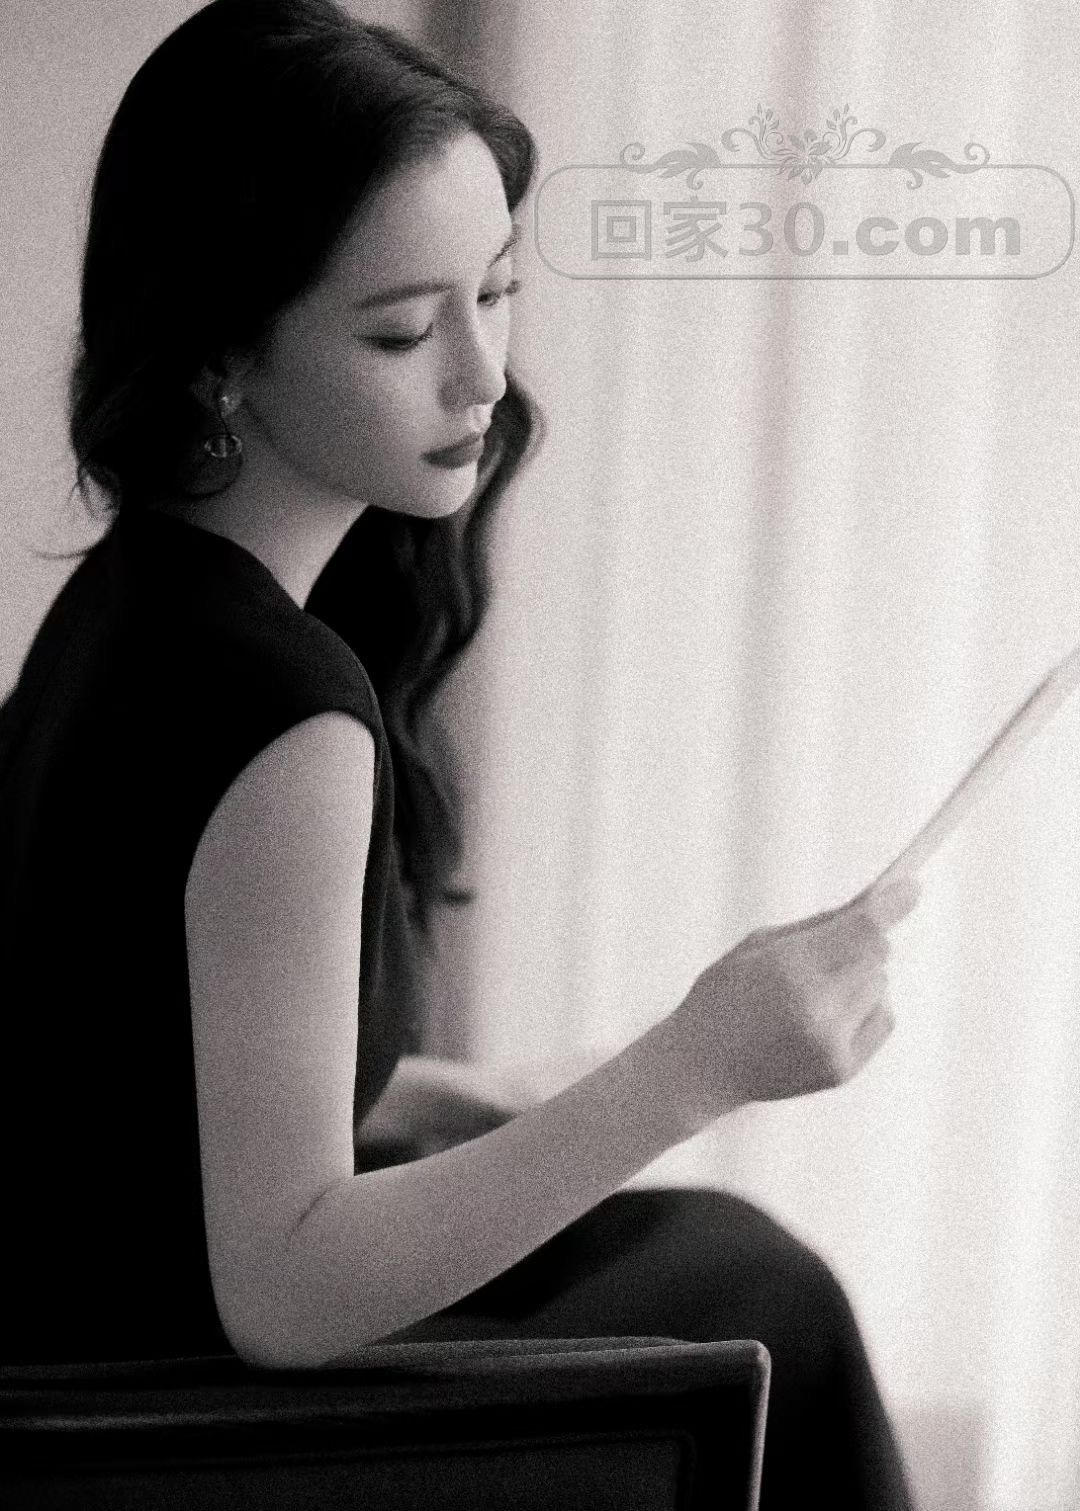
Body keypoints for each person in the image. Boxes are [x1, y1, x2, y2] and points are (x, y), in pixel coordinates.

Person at [0, 2, 922, 1505]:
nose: (482, 375)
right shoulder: (286, 711)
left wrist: (440, 1098)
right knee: (771, 1299)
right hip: (158, 1424)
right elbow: (286, 1291)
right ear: (221, 356)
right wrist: (697, 1064)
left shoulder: (136, 603)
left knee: (713, 1253)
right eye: (402, 329)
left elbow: (120, 1067)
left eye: (496, 293)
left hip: (73, 1343)